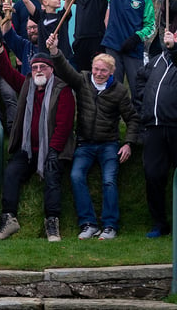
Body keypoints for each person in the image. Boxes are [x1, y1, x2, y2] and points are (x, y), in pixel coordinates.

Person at [48, 33, 139, 240]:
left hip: (109, 144)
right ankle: (88, 223)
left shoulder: (119, 91)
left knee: (109, 180)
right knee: (76, 176)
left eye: (103, 71)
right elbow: (65, 70)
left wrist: (128, 143)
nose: (98, 73)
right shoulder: (82, 81)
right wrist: (54, 51)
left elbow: (132, 118)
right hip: (85, 143)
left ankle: (110, 225)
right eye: (96, 69)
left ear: (111, 72)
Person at [0, 41, 75, 242]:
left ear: (51, 70)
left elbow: (64, 124)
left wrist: (54, 150)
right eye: (35, 67)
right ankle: (9, 218)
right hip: (28, 149)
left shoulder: (62, 89)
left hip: (53, 148)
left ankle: (52, 223)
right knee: (11, 173)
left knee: (52, 176)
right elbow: (5, 70)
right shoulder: (27, 85)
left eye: (43, 67)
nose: (38, 71)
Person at [87, 0, 154, 92]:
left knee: (138, 89)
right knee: (113, 89)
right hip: (112, 47)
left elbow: (151, 26)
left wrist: (136, 38)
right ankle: (111, 116)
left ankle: (138, 115)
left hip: (133, 49)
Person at [136, 29, 177, 238]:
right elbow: (140, 79)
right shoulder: (156, 60)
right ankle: (160, 223)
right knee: (153, 175)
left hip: (175, 126)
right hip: (154, 127)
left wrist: (174, 49)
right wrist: (145, 99)